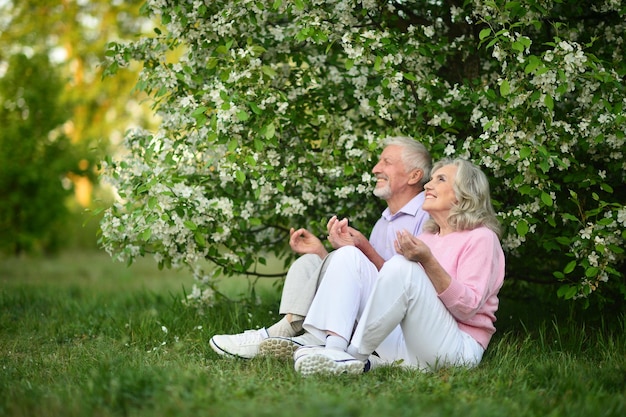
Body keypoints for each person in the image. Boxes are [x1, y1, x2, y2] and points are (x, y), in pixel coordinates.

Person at [209, 136, 432, 359]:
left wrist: (362, 248)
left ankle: (279, 334)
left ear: (414, 175)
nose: (375, 169)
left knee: (348, 255)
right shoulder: (384, 222)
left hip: (400, 327)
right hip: (371, 314)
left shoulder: (427, 216)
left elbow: (413, 287)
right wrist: (322, 254)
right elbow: (361, 279)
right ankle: (301, 335)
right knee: (309, 262)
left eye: (387, 162)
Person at [291, 158, 505, 375]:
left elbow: (467, 309)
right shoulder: (429, 236)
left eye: (440, 179)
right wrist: (358, 248)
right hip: (412, 342)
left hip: (456, 350)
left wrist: (427, 261)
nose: (428, 185)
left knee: (402, 265)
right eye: (430, 179)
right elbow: (395, 290)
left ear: (464, 195)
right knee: (349, 256)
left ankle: (353, 355)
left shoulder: (482, 238)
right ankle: (334, 349)